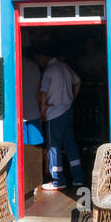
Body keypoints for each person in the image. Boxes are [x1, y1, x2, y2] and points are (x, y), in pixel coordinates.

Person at [37, 50, 83, 191]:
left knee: (53, 147)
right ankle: (78, 178)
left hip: (54, 113)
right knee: (70, 145)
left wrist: (42, 108)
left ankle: (58, 180)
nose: (38, 60)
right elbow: (78, 81)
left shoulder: (49, 71)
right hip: (68, 111)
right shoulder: (65, 67)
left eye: (39, 57)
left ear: (45, 56)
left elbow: (43, 91)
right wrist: (71, 99)